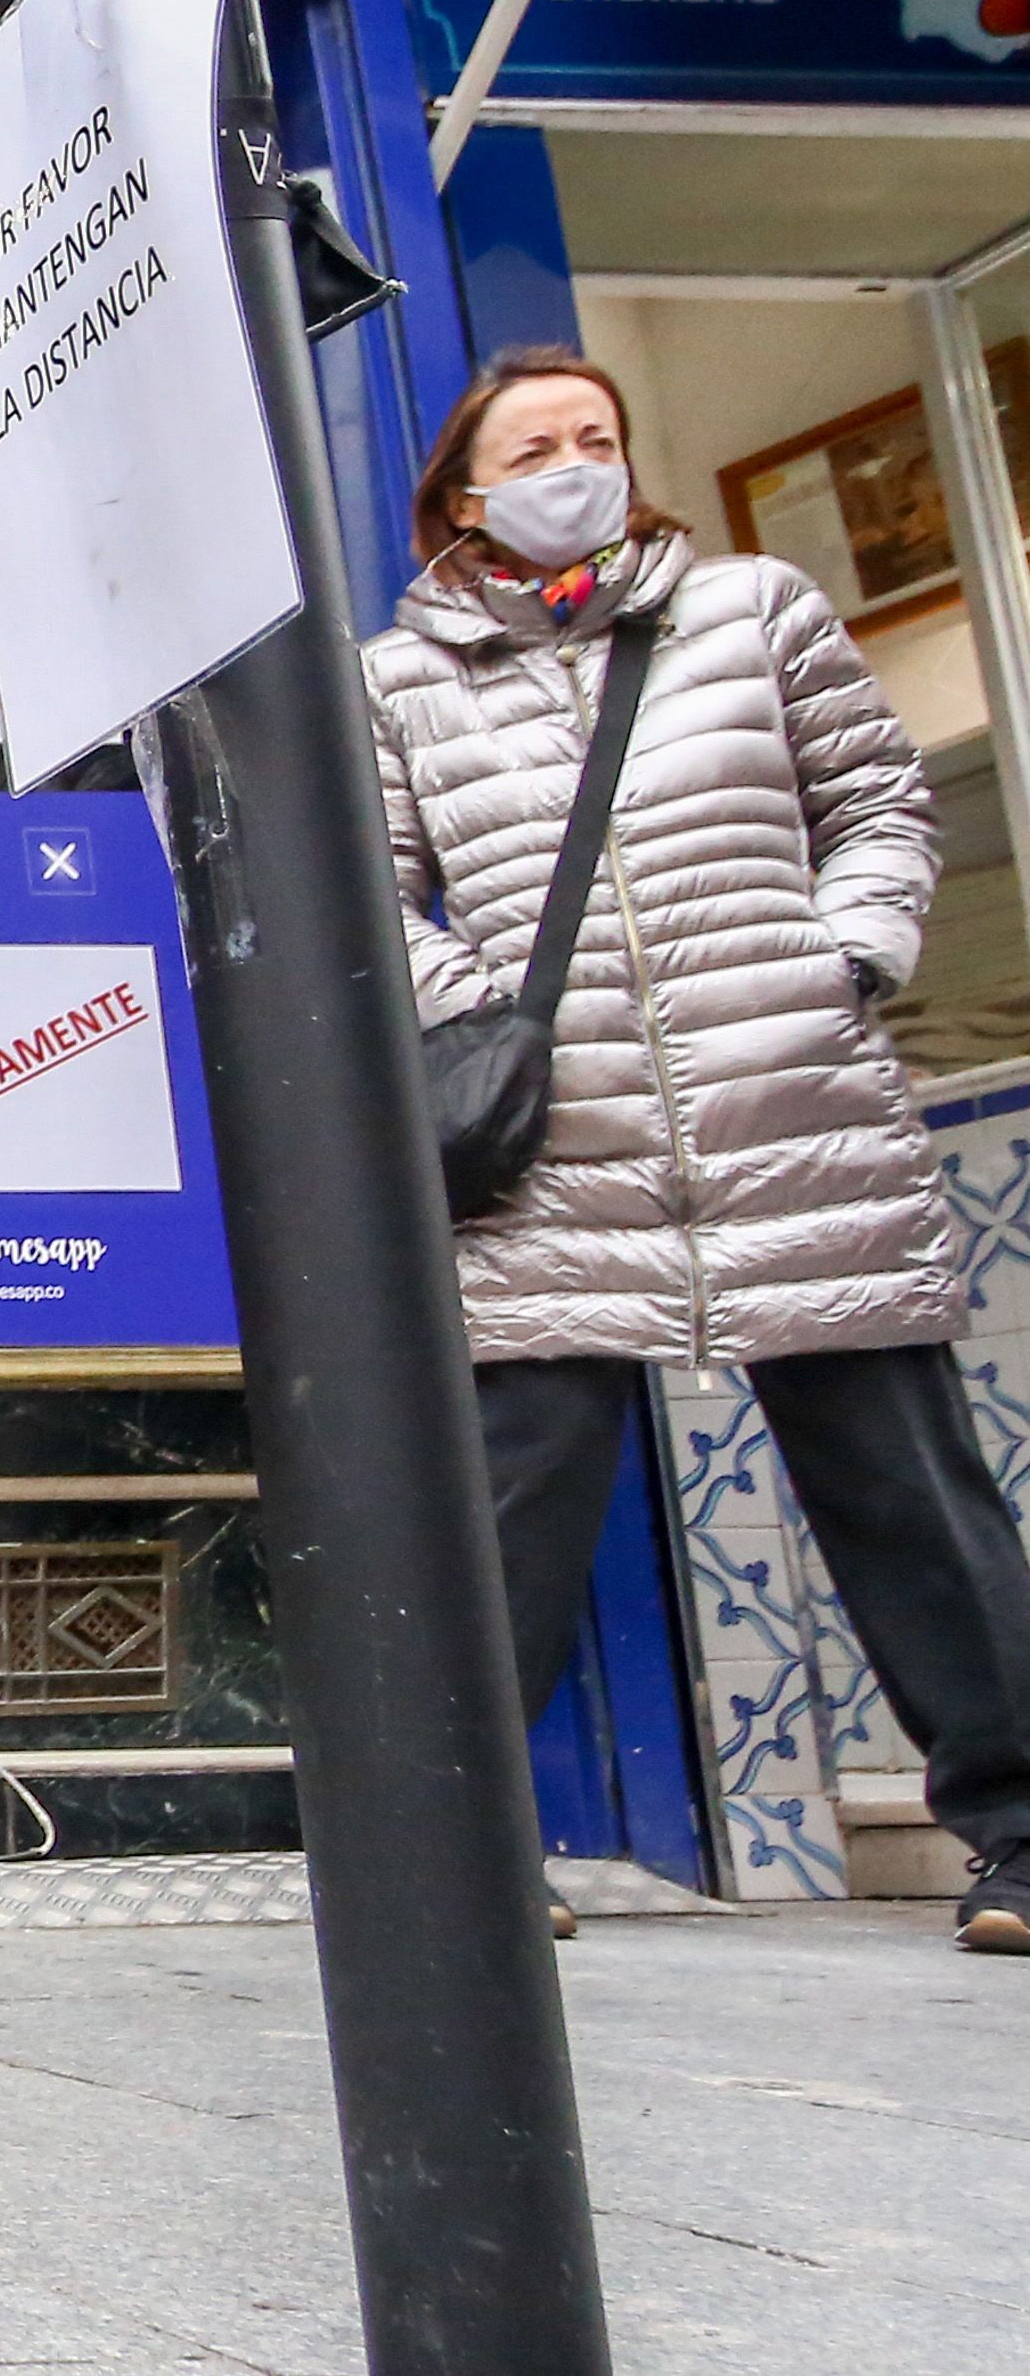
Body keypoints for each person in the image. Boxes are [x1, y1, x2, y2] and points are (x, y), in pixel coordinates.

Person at [366, 346, 1030, 1959]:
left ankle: (1015, 1833)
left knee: (904, 1489)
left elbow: (875, 802)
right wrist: (474, 1015)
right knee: (507, 1501)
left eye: (590, 436)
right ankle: (463, 1848)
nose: (568, 462)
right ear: (462, 491)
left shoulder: (749, 611)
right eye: (530, 445)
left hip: (785, 1100)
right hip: (556, 1140)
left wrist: (844, 957)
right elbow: (368, 894)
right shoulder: (394, 678)